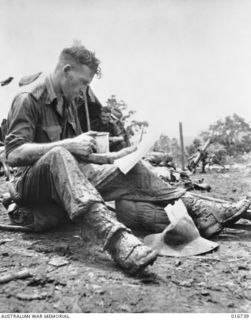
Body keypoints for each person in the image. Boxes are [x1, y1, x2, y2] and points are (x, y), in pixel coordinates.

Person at [5, 44, 250, 276]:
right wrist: (67, 145)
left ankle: (202, 210)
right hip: (29, 185)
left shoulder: (68, 103)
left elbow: (79, 155)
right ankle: (115, 238)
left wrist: (114, 157)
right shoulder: (27, 98)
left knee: (129, 169)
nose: (83, 91)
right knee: (58, 155)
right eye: (82, 83)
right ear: (66, 70)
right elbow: (14, 154)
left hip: (65, 179)